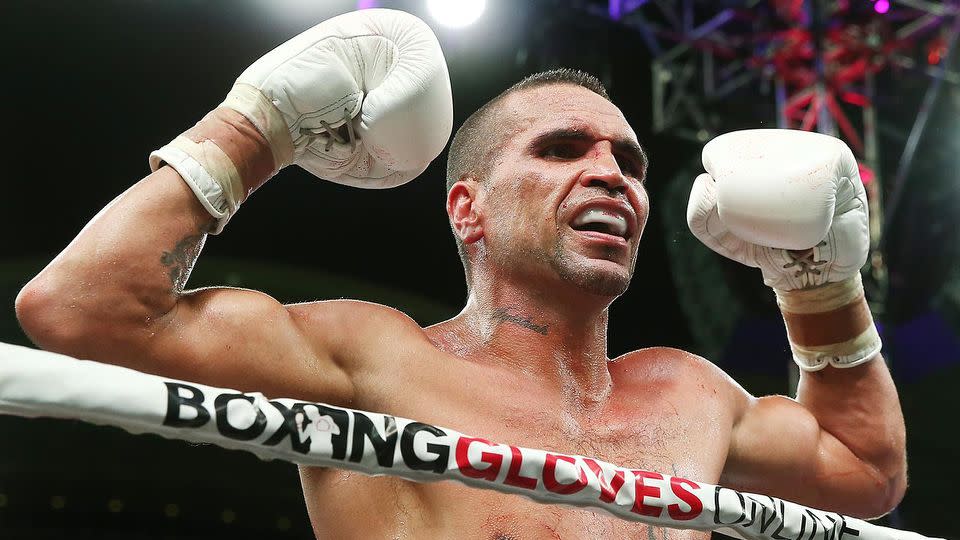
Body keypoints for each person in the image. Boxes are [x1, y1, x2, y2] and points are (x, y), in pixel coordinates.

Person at [13, 8, 906, 539]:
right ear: (466, 209)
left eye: (629, 162)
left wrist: (819, 284)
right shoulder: (369, 359)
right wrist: (256, 128)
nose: (611, 175)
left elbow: (863, 470)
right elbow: (82, 310)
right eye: (561, 149)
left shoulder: (690, 395)